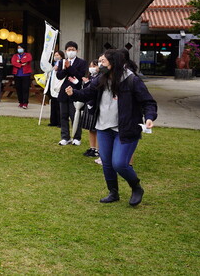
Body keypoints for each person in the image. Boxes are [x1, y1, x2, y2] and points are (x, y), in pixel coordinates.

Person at [66, 49, 157, 206]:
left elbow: (148, 102)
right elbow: (87, 93)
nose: (99, 65)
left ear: (114, 63)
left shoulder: (131, 80)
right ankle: (113, 192)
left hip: (126, 128)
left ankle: (136, 188)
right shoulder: (101, 79)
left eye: (103, 62)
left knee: (120, 164)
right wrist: (73, 93)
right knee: (107, 162)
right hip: (103, 127)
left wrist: (149, 117)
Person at [56, 41, 88, 146]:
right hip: (63, 92)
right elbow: (59, 76)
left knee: (75, 115)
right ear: (65, 51)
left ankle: (77, 137)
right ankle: (65, 137)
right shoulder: (61, 62)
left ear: (77, 51)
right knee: (63, 116)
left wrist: (69, 67)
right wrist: (65, 68)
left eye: (73, 50)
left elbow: (80, 75)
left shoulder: (82, 62)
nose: (71, 51)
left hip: (76, 92)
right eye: (69, 50)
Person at [81, 59, 101, 159]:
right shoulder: (90, 77)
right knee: (90, 128)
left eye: (94, 65)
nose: (92, 68)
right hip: (88, 104)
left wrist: (88, 82)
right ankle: (92, 147)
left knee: (96, 128)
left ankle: (98, 149)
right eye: (91, 66)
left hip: (96, 105)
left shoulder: (100, 78)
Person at [10, 44, 32, 109]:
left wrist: (19, 61)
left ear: (23, 48)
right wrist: (21, 64)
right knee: (18, 88)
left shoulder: (27, 54)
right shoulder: (15, 55)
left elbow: (28, 59)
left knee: (25, 89)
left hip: (25, 74)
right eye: (18, 48)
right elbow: (13, 62)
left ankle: (25, 103)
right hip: (17, 74)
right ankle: (20, 102)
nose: (19, 49)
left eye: (20, 47)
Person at [47, 50, 65, 127]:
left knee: (59, 106)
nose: (56, 56)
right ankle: (53, 121)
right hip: (52, 85)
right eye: (55, 55)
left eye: (57, 55)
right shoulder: (53, 64)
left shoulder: (63, 63)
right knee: (53, 104)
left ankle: (60, 122)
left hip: (59, 85)